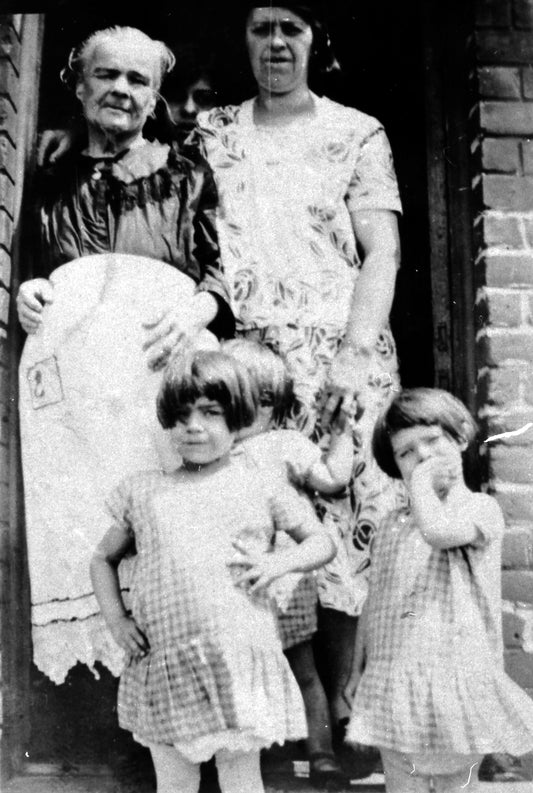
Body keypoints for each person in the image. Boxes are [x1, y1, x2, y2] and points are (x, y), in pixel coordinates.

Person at [192, 0, 404, 748]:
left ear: (317, 39)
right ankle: (289, 719)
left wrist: (352, 353)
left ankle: (345, 711)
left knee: (348, 522)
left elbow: (380, 250)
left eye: (291, 28)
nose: (276, 43)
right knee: (264, 521)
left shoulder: (354, 133)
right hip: (250, 361)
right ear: (242, 41)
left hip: (341, 354)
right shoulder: (211, 131)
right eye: (260, 29)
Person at [90, 349, 336, 793]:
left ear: (236, 416)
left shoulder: (259, 481)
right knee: (175, 782)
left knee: (241, 776)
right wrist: (117, 619)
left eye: (210, 412)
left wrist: (278, 562)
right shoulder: (146, 491)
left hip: (236, 656)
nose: (193, 426)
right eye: (182, 415)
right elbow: (102, 559)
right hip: (167, 662)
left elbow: (320, 542)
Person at [343, 388, 533, 792]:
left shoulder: (480, 508)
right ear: (394, 466)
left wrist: (423, 488)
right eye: (406, 453)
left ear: (461, 438)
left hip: (454, 679)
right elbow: (375, 600)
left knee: (453, 781)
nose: (423, 457)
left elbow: (438, 531)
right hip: (395, 679)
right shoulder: (392, 524)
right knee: (401, 778)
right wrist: (358, 668)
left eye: (432, 441)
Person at [17, 26, 234, 368]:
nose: (120, 89)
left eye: (137, 80)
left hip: (161, 370)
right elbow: (29, 267)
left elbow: (221, 272)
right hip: (74, 368)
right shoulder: (51, 176)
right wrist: (29, 290)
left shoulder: (186, 176)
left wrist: (198, 310)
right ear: (80, 86)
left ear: (152, 101)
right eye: (105, 75)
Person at [223, 338, 353, 787]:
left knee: (302, 669)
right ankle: (247, 758)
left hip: (284, 581)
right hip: (238, 587)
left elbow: (333, 480)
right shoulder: (212, 451)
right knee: (242, 671)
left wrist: (343, 435)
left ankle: (321, 753)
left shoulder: (283, 444)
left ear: (263, 403)